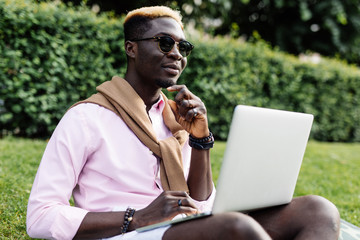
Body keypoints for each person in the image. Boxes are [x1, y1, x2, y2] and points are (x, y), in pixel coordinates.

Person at [27, 6, 340, 240]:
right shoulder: (86, 117)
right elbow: (40, 216)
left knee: (318, 209)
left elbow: (202, 204)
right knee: (236, 228)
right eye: (165, 43)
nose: (176, 54)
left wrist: (200, 141)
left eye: (183, 47)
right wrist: (135, 218)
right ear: (131, 48)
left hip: (180, 226)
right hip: (127, 233)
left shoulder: (174, 117)